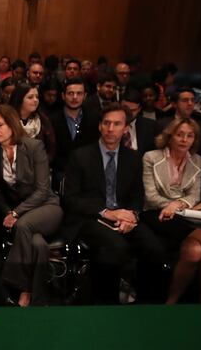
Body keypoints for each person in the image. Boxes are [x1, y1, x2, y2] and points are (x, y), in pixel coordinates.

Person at [63, 103, 165, 304]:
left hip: (124, 217)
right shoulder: (80, 156)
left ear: (125, 128)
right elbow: (70, 199)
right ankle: (108, 305)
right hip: (91, 218)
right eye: (107, 123)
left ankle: (146, 305)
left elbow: (137, 195)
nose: (111, 129)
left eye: (117, 124)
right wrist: (106, 212)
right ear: (100, 126)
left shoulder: (134, 158)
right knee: (115, 248)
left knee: (155, 249)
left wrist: (132, 216)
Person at [0, 105, 62, 307]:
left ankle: (11, 283)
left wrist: (15, 213)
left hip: (47, 207)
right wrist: (7, 213)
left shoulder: (33, 146)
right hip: (19, 213)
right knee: (38, 245)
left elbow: (42, 190)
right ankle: (32, 295)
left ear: (12, 124)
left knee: (23, 226)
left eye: (0, 125)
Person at [142, 117, 201, 304]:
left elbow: (194, 195)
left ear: (194, 140)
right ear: (170, 136)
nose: (185, 139)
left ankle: (171, 301)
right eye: (180, 134)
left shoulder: (197, 161)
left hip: (182, 213)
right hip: (154, 212)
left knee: (193, 250)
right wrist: (174, 205)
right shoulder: (152, 157)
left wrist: (178, 205)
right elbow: (151, 196)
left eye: (190, 136)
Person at [48, 78, 100, 184]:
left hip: (88, 172)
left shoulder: (94, 118)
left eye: (79, 93)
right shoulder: (52, 120)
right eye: (70, 93)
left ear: (85, 96)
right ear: (63, 96)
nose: (75, 97)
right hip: (61, 173)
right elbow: (51, 152)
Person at [158, 87, 201, 163]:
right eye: (185, 100)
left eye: (192, 100)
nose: (190, 103)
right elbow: (156, 151)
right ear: (174, 104)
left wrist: (191, 162)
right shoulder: (161, 124)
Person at [8, 83, 56, 161]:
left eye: (37, 97)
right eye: (30, 97)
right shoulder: (8, 120)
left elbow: (51, 149)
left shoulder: (43, 120)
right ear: (20, 98)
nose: (35, 100)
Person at [119, 88, 158, 157]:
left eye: (133, 110)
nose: (128, 113)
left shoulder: (151, 126)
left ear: (139, 109)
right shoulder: (111, 125)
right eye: (125, 109)